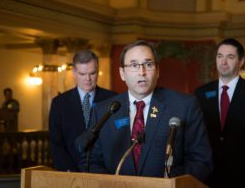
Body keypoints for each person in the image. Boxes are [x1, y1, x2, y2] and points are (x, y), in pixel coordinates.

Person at [79, 40, 212, 181]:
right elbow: (91, 162)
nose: (141, 72)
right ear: (122, 73)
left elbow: (201, 161)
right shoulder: (103, 110)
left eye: (148, 65)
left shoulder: (184, 106)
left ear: (158, 71)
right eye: (134, 65)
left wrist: (167, 183)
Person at [195, 38, 245, 188]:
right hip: (208, 179)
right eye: (220, 56)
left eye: (230, 57)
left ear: (241, 61)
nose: (223, 62)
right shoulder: (201, 93)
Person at [49, 50, 117, 172]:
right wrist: (68, 171)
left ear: (98, 71)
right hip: (70, 171)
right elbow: (56, 143)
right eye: (82, 74)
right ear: (74, 73)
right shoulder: (59, 103)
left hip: (105, 172)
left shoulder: (113, 99)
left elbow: (117, 138)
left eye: (92, 73)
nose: (88, 79)